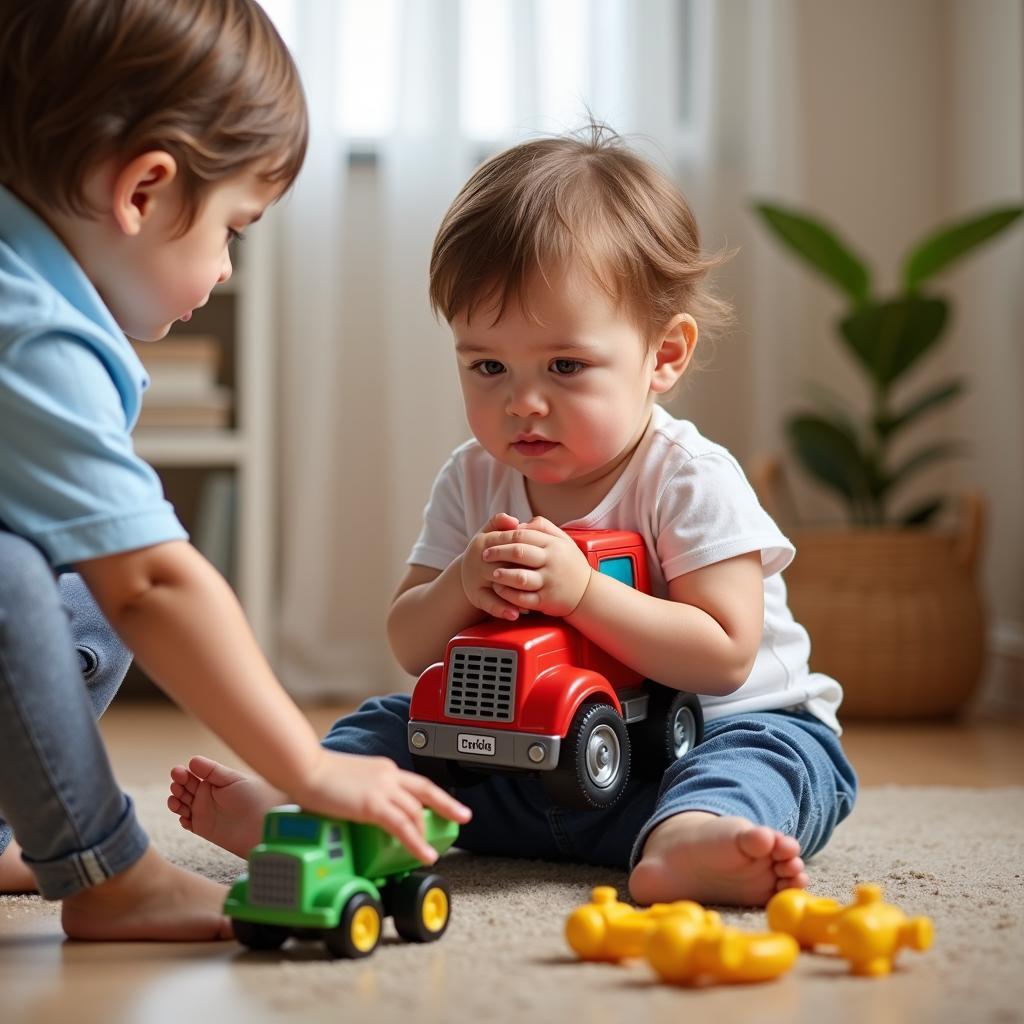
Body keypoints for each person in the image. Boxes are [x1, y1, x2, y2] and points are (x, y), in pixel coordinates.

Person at [168, 125, 857, 908]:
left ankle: (689, 837)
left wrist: (583, 595)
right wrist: (463, 580)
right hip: (527, 762)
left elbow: (726, 656)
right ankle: (315, 810)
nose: (522, 402)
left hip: (688, 740)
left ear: (663, 356)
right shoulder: (474, 475)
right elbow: (409, 643)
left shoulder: (688, 479)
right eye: (487, 365)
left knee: (767, 758)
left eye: (565, 366)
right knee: (392, 723)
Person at [0, 0, 469, 942]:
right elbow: (156, 583)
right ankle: (107, 873)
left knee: (78, 574)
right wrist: (311, 767)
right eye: (232, 230)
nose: (221, 270)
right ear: (145, 190)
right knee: (30, 582)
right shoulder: (32, 330)